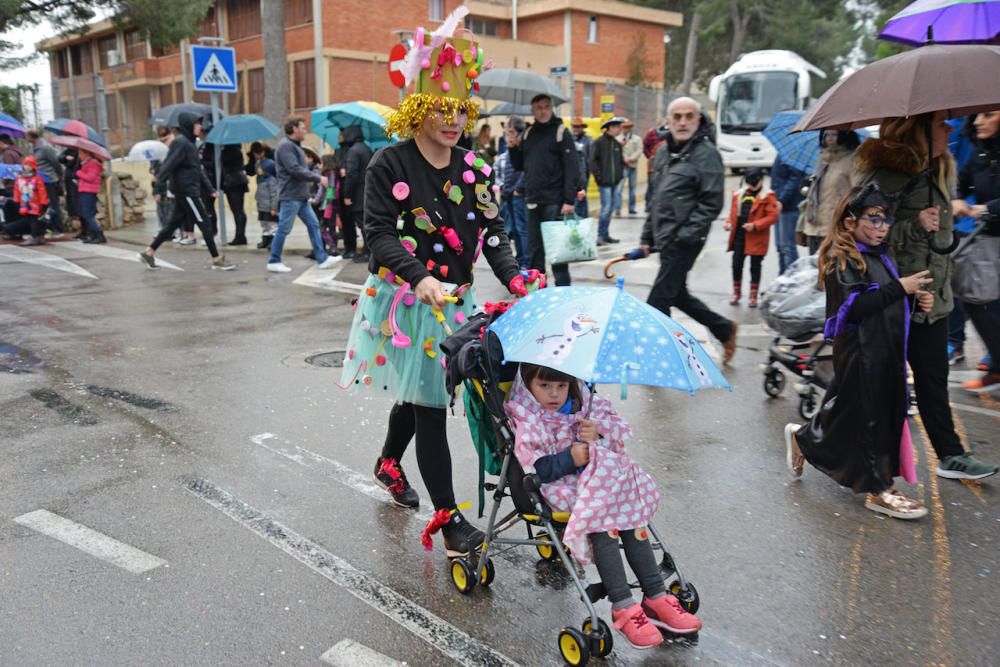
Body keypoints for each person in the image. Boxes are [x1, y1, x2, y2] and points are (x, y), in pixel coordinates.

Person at [340, 8, 538, 557]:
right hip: (407, 302)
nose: (452, 120)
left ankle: (387, 461)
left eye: (460, 110)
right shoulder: (389, 164)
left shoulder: (473, 167)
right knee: (430, 402)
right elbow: (376, 234)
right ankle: (450, 520)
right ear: (419, 108)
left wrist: (514, 276)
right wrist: (420, 278)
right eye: (442, 109)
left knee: (427, 389)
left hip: (456, 297)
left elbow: (494, 230)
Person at [505, 363, 702, 647]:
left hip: (593, 481)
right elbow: (534, 468)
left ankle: (656, 595)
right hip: (556, 486)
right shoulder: (529, 418)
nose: (554, 394)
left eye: (561, 386)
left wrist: (597, 435)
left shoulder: (585, 406)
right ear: (528, 385)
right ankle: (623, 605)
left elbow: (614, 445)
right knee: (604, 520)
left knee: (632, 517)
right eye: (544, 386)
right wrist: (570, 458)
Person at [856, 112, 998, 480]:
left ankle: (950, 456)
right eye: (939, 124)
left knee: (932, 378)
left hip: (932, 295)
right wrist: (915, 225)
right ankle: (818, 441)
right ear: (916, 128)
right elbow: (867, 232)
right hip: (895, 295)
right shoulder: (888, 173)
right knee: (876, 384)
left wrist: (944, 237)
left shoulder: (937, 168)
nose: (949, 129)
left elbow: (940, 237)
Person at [785, 185, 932, 519]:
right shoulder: (843, 260)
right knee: (869, 419)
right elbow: (853, 310)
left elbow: (886, 301)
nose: (882, 227)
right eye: (874, 219)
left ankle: (804, 439)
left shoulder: (882, 255)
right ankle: (878, 489)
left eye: (886, 220)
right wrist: (900, 288)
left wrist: (914, 300)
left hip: (888, 349)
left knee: (856, 414)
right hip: (862, 352)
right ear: (850, 223)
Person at [641, 97, 739, 364]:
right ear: (668, 120)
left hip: (685, 241)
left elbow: (711, 203)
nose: (682, 122)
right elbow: (656, 199)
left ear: (699, 120)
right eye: (677, 117)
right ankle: (724, 328)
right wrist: (647, 237)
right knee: (677, 294)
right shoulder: (663, 153)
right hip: (665, 237)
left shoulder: (707, 154)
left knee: (657, 302)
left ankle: (663, 357)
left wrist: (685, 236)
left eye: (688, 116)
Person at [139, 113, 235, 271]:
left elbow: (198, 169)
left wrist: (210, 189)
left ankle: (148, 252)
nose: (200, 127)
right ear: (189, 125)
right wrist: (159, 188)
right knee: (204, 222)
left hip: (189, 190)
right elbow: (167, 166)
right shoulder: (181, 143)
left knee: (171, 225)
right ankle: (217, 259)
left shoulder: (190, 144)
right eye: (197, 124)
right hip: (187, 192)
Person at [507, 94, 579, 286]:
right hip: (532, 200)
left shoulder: (561, 132)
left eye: (546, 106)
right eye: (538, 107)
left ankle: (563, 294)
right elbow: (520, 165)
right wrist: (513, 147)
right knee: (535, 254)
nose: (543, 110)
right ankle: (540, 296)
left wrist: (569, 201)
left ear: (551, 108)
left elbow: (573, 168)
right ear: (533, 110)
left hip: (555, 202)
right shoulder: (529, 133)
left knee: (558, 256)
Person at [951, 109, 1000, 393]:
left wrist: (989, 208)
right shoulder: (981, 152)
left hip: (990, 237)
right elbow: (960, 181)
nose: (978, 121)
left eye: (988, 114)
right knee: (975, 298)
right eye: (976, 116)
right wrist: (957, 199)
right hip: (989, 241)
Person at [266, 117, 340, 273]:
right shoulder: (286, 146)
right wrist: (318, 178)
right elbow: (294, 169)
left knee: (313, 226)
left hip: (300, 196)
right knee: (284, 229)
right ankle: (274, 260)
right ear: (294, 129)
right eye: (303, 127)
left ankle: (322, 258)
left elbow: (299, 169)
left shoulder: (294, 146)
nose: (305, 130)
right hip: (291, 196)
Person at [724, 167, 778, 307]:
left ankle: (753, 296)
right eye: (749, 182)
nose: (752, 185)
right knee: (736, 265)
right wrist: (729, 222)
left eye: (755, 182)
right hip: (739, 236)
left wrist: (755, 225)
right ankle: (736, 293)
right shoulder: (739, 194)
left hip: (757, 237)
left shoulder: (768, 196)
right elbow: (733, 212)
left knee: (755, 266)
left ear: (761, 180)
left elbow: (773, 216)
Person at [802, 129, 861, 254]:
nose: (829, 138)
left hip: (835, 224)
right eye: (826, 134)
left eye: (834, 134)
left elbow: (857, 191)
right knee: (813, 269)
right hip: (814, 224)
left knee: (831, 267)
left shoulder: (852, 160)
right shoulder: (822, 160)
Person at [340, 124, 374, 262]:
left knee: (362, 224)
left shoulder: (353, 151)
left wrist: (347, 195)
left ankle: (367, 252)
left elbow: (352, 174)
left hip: (358, 194)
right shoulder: (366, 148)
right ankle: (368, 251)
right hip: (368, 190)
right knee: (367, 223)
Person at [498, 116, 528, 268]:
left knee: (522, 229)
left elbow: (524, 170)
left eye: (510, 131)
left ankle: (526, 261)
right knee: (514, 230)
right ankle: (520, 257)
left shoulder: (523, 144)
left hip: (518, 194)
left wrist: (518, 189)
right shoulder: (510, 144)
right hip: (508, 192)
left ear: (517, 131)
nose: (507, 134)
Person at [590, 116, 625, 245]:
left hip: (615, 182)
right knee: (606, 208)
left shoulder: (616, 144)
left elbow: (620, 162)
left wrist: (620, 175)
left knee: (610, 209)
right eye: (617, 127)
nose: (619, 130)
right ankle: (600, 236)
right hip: (604, 182)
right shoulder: (599, 142)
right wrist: (599, 177)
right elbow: (593, 161)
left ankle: (605, 235)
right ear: (610, 128)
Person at [769, 153, 806, 274]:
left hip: (788, 206)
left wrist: (781, 199)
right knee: (780, 246)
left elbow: (795, 178)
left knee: (787, 247)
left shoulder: (793, 155)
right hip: (779, 204)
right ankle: (782, 278)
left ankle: (791, 279)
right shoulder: (783, 152)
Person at [25, 129, 64, 234]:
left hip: (49, 180)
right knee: (43, 205)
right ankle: (47, 227)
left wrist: (60, 176)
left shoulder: (45, 147)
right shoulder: (33, 148)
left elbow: (55, 162)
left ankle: (58, 228)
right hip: (38, 181)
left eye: (26, 135)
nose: (25, 137)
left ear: (31, 136)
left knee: (53, 204)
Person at [12, 156, 49, 245]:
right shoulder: (19, 178)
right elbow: (16, 190)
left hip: (35, 203)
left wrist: (44, 203)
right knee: (29, 219)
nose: (27, 167)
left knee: (35, 220)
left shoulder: (37, 178)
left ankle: (35, 236)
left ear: (33, 166)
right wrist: (16, 200)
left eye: (29, 165)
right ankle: (38, 236)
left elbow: (42, 191)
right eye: (25, 165)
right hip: (24, 202)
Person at [150, 127, 176, 240]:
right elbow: (153, 164)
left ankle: (171, 230)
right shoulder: (156, 147)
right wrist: (154, 171)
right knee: (160, 205)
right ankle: (162, 229)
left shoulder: (174, 146)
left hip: (170, 180)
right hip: (159, 180)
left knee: (170, 206)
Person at [74, 148, 105, 244]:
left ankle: (99, 236)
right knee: (86, 214)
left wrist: (78, 173)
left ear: (86, 153)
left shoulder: (93, 163)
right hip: (84, 190)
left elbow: (90, 177)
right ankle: (93, 235)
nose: (79, 156)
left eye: (80, 153)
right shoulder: (86, 163)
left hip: (89, 191)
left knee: (89, 215)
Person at [642, 119, 668, 213]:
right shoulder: (651, 133)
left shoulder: (670, 134)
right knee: (651, 185)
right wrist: (649, 156)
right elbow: (645, 145)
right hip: (653, 164)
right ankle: (649, 204)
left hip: (665, 165)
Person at [317, 153, 340, 257]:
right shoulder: (334, 173)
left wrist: (327, 205)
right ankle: (333, 248)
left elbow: (330, 189)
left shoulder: (329, 174)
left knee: (322, 228)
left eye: (321, 162)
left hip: (328, 205)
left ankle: (333, 247)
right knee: (331, 228)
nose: (320, 165)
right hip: (332, 204)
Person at [254, 157, 279, 250]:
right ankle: (266, 239)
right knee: (264, 224)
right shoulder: (260, 179)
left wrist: (274, 208)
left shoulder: (271, 180)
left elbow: (275, 195)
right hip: (262, 207)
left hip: (269, 208)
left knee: (272, 225)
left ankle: (273, 241)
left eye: (260, 167)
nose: (258, 169)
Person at [571, 117, 593, 219]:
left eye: (578, 127)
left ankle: (583, 218)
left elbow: (591, 157)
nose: (576, 129)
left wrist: (587, 172)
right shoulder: (569, 139)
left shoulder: (588, 140)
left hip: (583, 175)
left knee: (581, 197)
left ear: (582, 128)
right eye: (574, 127)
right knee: (576, 198)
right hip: (572, 175)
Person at [619, 119, 642, 216]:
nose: (626, 129)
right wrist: (624, 158)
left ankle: (631, 208)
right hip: (622, 166)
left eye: (628, 127)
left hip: (633, 165)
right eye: (624, 127)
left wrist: (631, 159)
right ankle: (617, 208)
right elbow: (617, 150)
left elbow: (639, 150)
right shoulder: (618, 138)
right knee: (619, 189)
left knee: (632, 189)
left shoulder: (637, 139)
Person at [59, 146, 80, 236]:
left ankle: (79, 223)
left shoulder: (81, 152)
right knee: (70, 198)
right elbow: (60, 158)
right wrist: (65, 158)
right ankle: (74, 220)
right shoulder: (69, 150)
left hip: (76, 178)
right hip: (69, 177)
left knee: (76, 200)